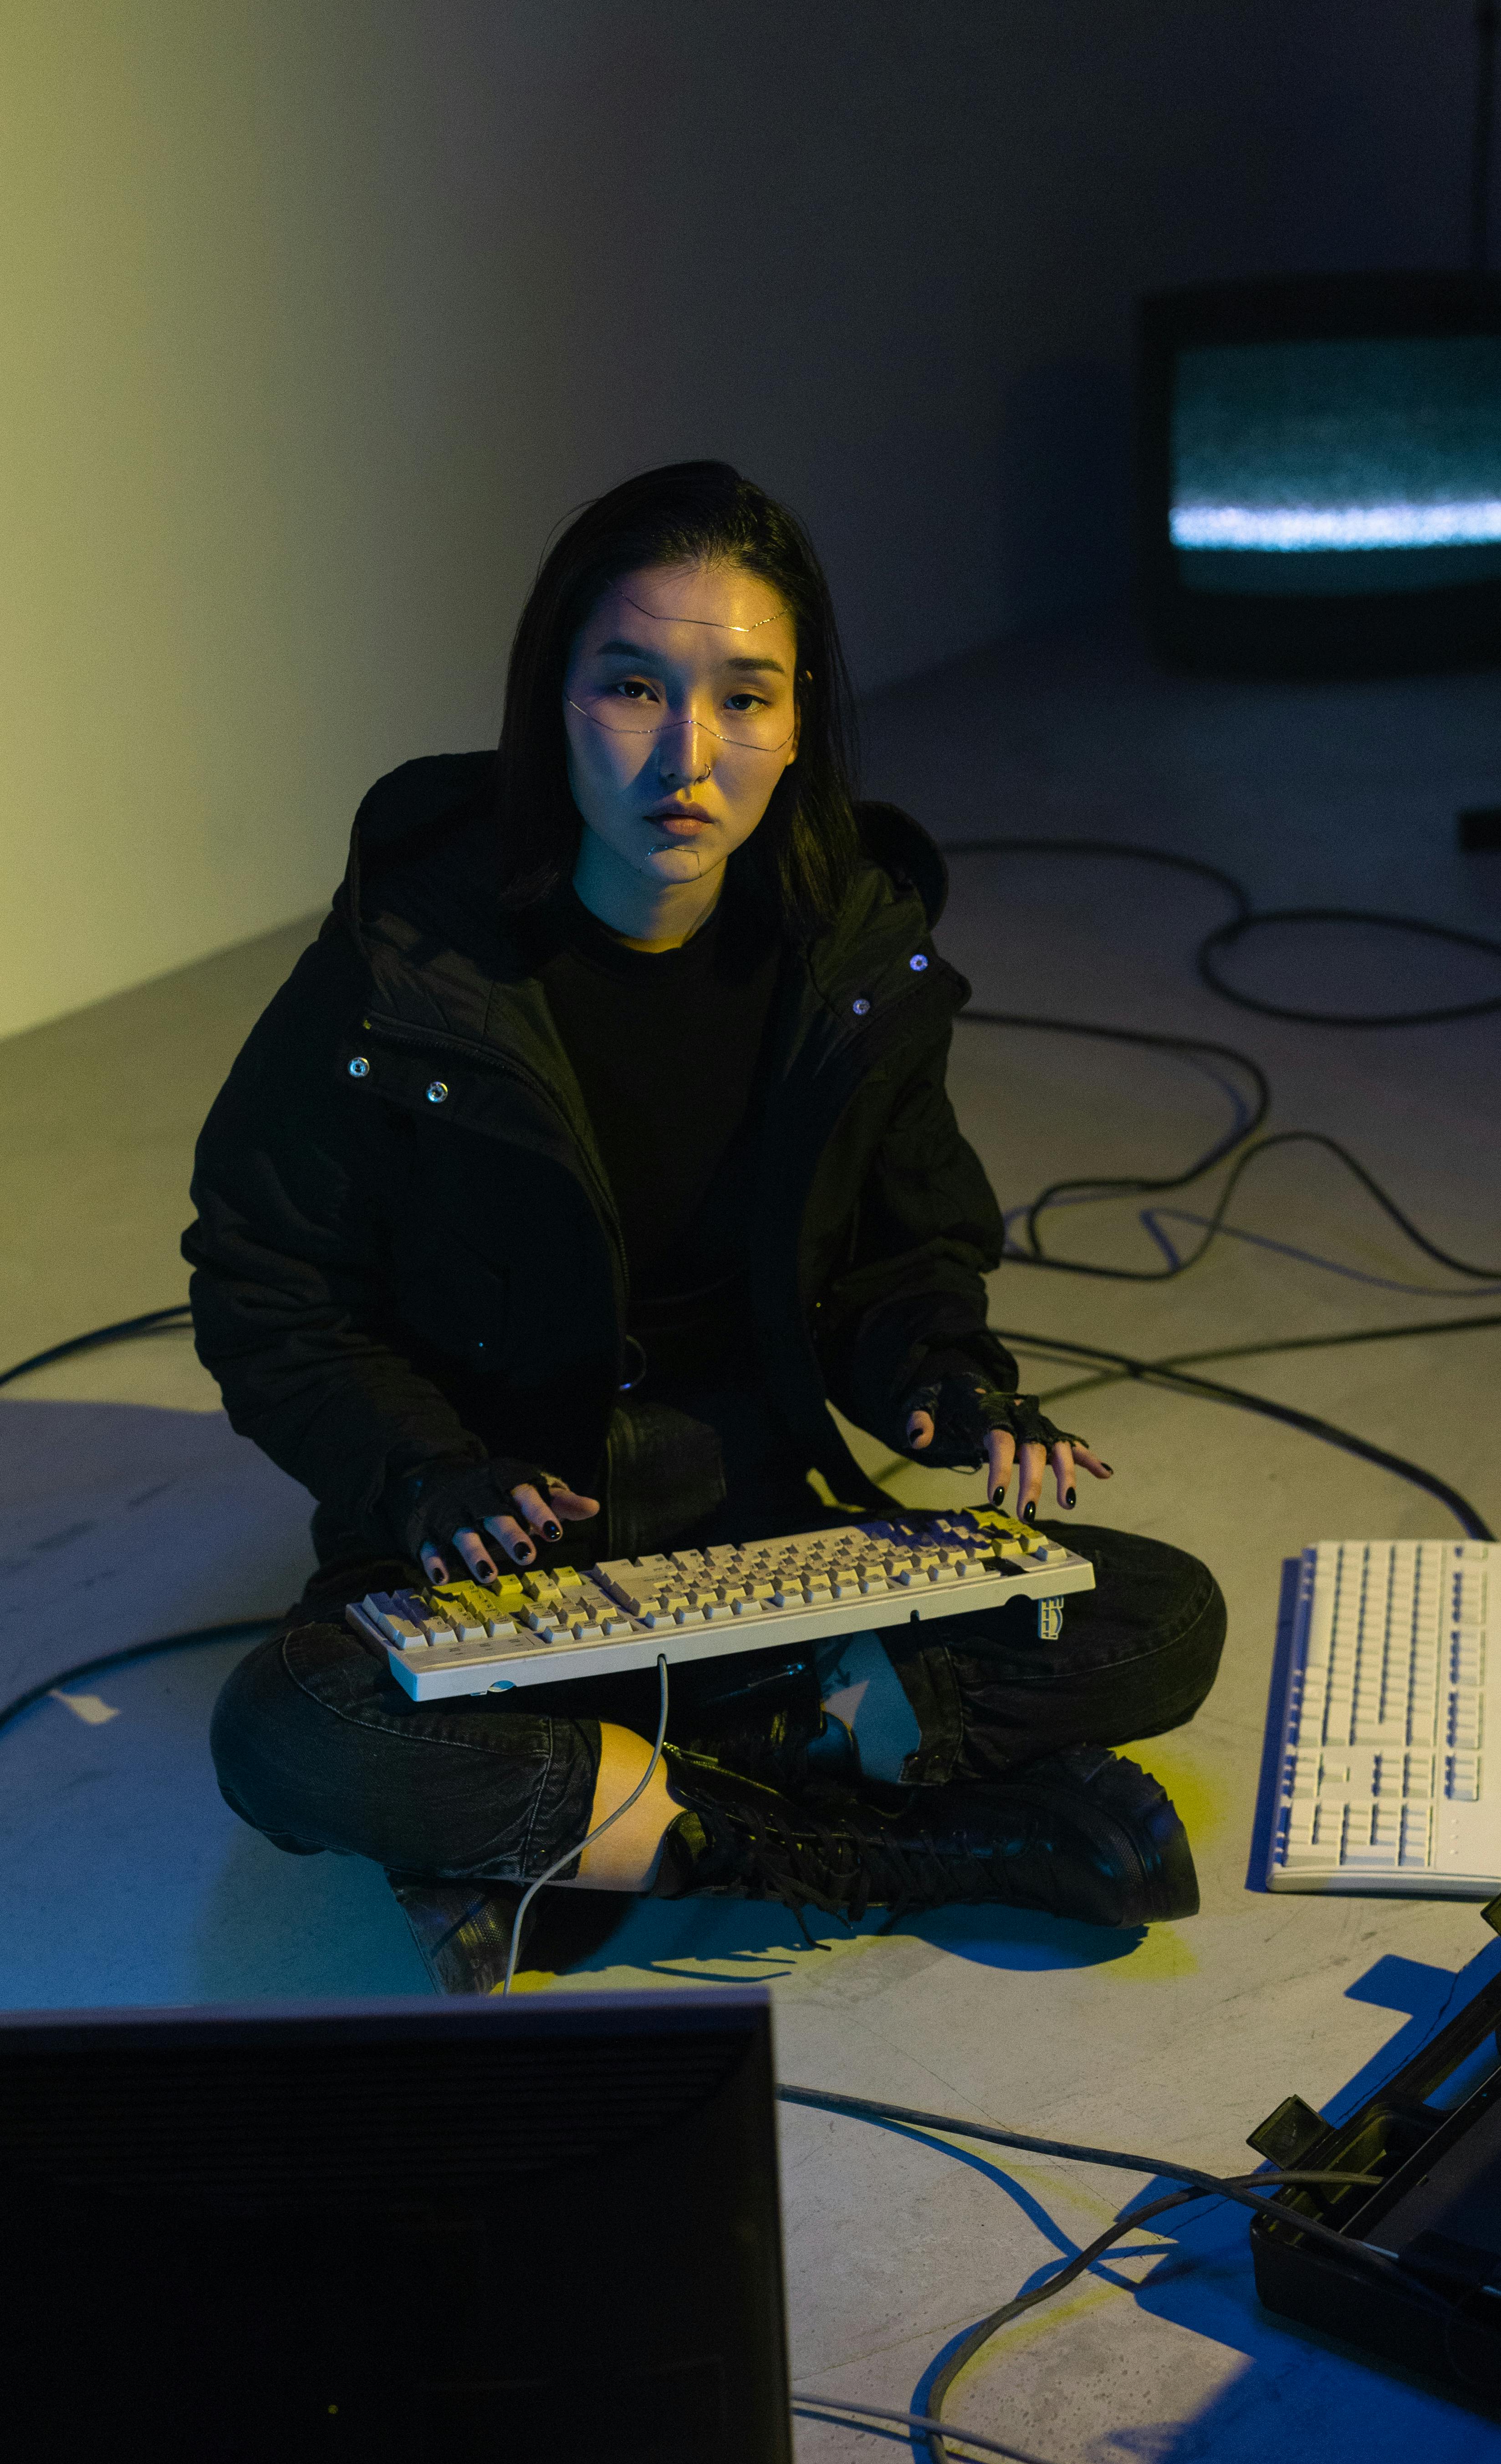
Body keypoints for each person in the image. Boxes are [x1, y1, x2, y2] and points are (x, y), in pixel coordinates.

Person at [187, 461, 1227, 1991]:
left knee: (1163, 1617)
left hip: (764, 1522)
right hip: (508, 1551)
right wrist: (424, 1474)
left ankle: (596, 1822)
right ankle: (866, 1831)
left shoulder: (849, 954)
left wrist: (948, 1379)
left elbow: (904, 1252)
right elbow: (269, 1284)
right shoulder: (405, 962)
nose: (690, 754)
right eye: (632, 688)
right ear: (552, 699)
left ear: (801, 724)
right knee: (285, 1733)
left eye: (746, 698)